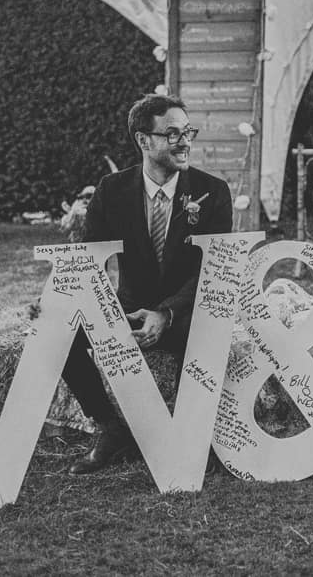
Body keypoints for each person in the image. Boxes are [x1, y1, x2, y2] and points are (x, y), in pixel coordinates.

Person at [62, 93, 233, 474]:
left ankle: (193, 435)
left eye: (188, 131)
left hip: (187, 310)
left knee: (206, 335)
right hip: (129, 307)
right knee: (62, 333)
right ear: (144, 141)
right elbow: (91, 259)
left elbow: (212, 270)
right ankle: (110, 428)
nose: (185, 141)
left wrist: (166, 313)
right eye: (172, 134)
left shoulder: (213, 191)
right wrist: (107, 311)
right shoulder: (112, 190)